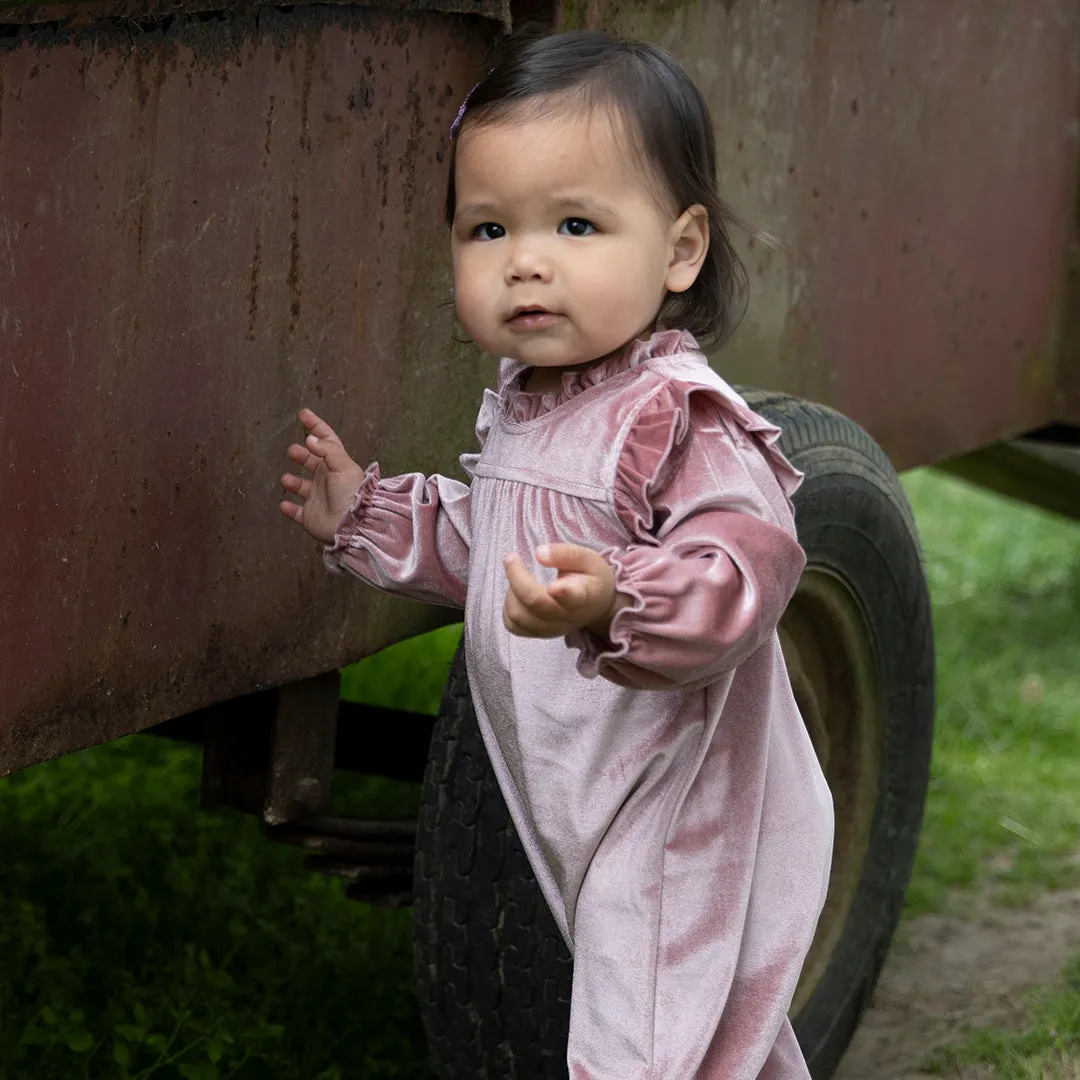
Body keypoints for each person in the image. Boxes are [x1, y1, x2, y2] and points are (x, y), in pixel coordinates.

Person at [279, 28, 833, 1080]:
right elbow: (495, 548)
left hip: (675, 799)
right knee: (707, 1043)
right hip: (583, 794)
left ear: (680, 249)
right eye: (487, 228)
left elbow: (745, 572)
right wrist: (366, 513)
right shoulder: (533, 407)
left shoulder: (674, 417)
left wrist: (618, 594)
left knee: (637, 1050)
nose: (525, 260)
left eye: (576, 223)